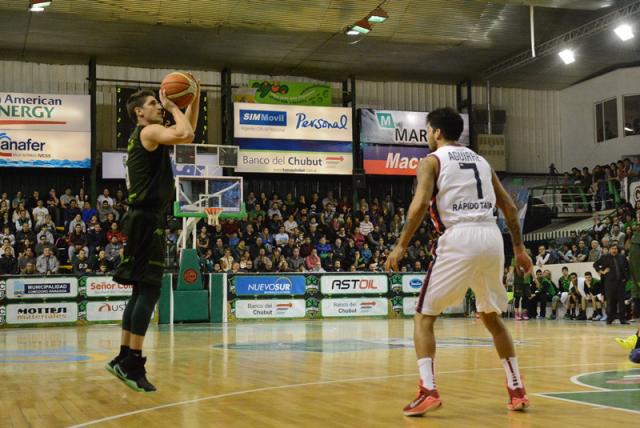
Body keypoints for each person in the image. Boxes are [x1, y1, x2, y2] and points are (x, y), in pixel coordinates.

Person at [385, 108, 532, 416]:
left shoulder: (432, 161)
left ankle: (428, 390)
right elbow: (508, 205)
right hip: (491, 237)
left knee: (424, 317)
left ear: (437, 132)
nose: (427, 136)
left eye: (427, 131)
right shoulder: (481, 160)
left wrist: (401, 245)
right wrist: (518, 247)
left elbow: (419, 205)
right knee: (492, 317)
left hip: (460, 237)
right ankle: (517, 389)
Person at [107, 78, 199, 393]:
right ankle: (132, 363)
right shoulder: (148, 132)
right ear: (139, 114)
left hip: (142, 219)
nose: (158, 106)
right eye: (152, 104)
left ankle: (122, 356)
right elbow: (184, 132)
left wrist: (192, 99)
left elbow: (187, 133)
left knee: (139, 292)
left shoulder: (147, 136)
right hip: (147, 220)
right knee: (149, 292)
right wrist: (175, 105)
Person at [594, 244, 630, 324]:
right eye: (613, 248)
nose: (614, 250)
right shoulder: (604, 257)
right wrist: (602, 272)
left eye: (616, 248)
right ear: (609, 249)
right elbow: (595, 265)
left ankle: (622, 319)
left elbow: (627, 267)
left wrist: (626, 278)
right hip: (609, 283)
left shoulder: (622, 257)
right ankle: (610, 318)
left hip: (621, 283)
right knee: (610, 301)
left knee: (621, 301)